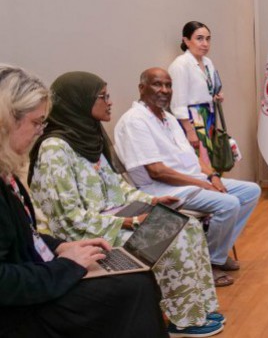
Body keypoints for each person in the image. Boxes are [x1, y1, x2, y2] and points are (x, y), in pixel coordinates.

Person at [27, 71, 224, 337]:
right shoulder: (55, 148)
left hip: (115, 218)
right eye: (103, 96)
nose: (110, 102)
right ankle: (183, 320)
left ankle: (198, 306)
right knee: (171, 239)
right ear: (80, 100)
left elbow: (117, 187)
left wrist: (151, 200)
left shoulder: (90, 137)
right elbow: (67, 217)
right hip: (84, 233)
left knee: (187, 226)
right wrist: (129, 221)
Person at [0, 64, 167, 338]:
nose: (40, 131)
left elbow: (26, 237)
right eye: (36, 122)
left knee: (138, 278)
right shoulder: (53, 149)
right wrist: (67, 266)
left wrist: (61, 247)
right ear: (6, 122)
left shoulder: (8, 174)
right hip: (18, 309)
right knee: (133, 289)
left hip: (40, 275)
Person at [114, 67, 260, 287]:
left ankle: (216, 252)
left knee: (251, 191)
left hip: (191, 180)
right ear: (142, 88)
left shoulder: (168, 118)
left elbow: (191, 157)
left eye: (168, 85)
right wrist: (202, 184)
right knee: (228, 204)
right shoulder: (135, 121)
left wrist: (212, 176)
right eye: (157, 84)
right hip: (164, 189)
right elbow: (157, 171)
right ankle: (210, 263)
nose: (164, 90)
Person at [168, 21, 225, 168]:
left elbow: (205, 89)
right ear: (186, 41)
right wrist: (189, 131)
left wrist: (215, 96)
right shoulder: (180, 65)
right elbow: (177, 103)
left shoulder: (207, 62)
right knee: (198, 160)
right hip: (192, 118)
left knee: (210, 158)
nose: (205, 43)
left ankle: (214, 181)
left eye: (208, 39)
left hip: (208, 116)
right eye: (199, 38)